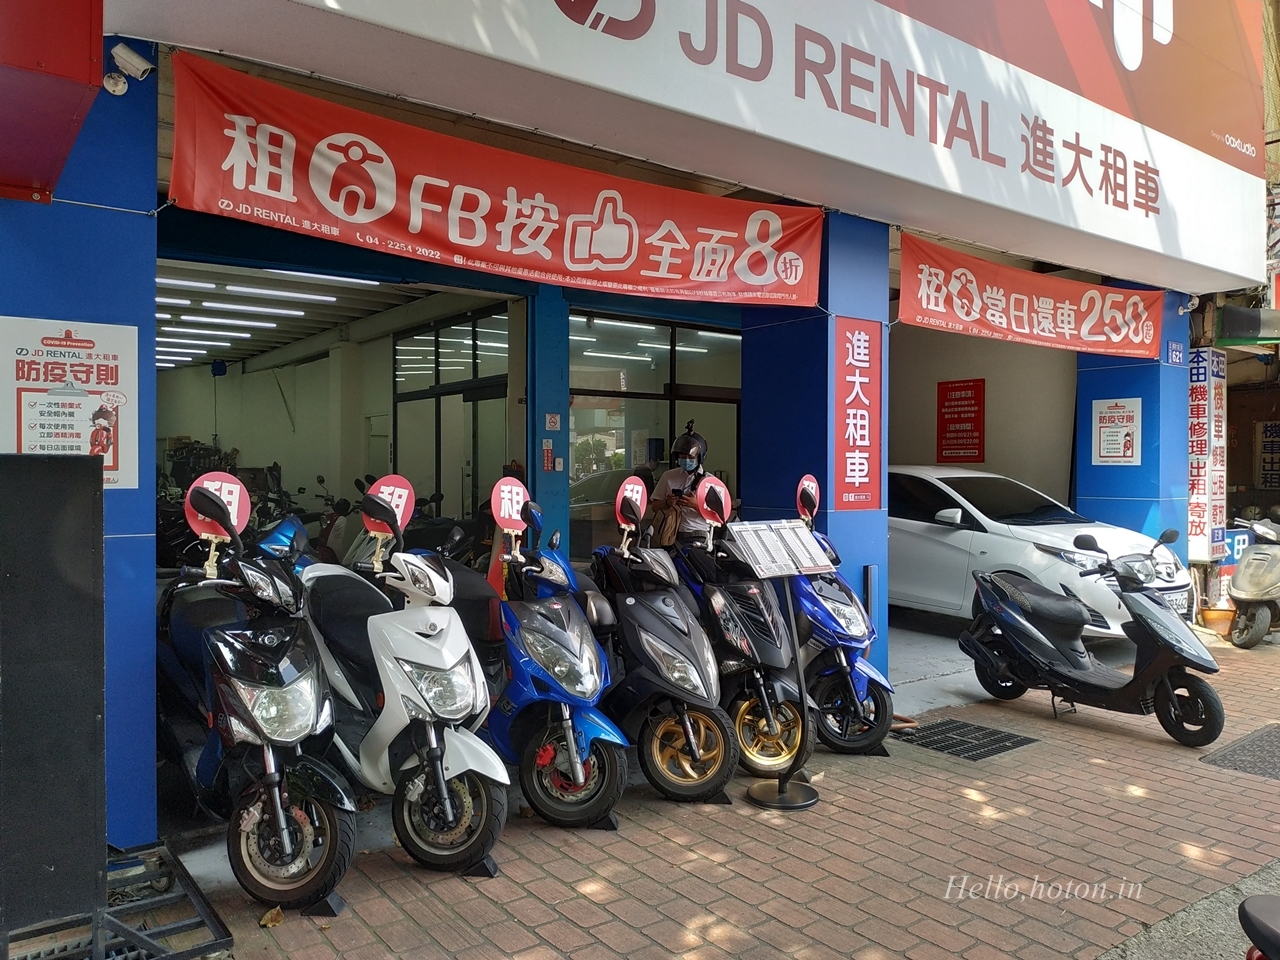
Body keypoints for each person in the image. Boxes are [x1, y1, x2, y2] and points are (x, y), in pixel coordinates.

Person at [647, 421, 710, 540]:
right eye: (682, 457)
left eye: (690, 457)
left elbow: (719, 517)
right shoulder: (668, 476)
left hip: (698, 534)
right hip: (670, 534)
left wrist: (696, 505)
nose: (686, 460)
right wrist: (667, 503)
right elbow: (654, 506)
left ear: (700, 457)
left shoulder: (709, 481)